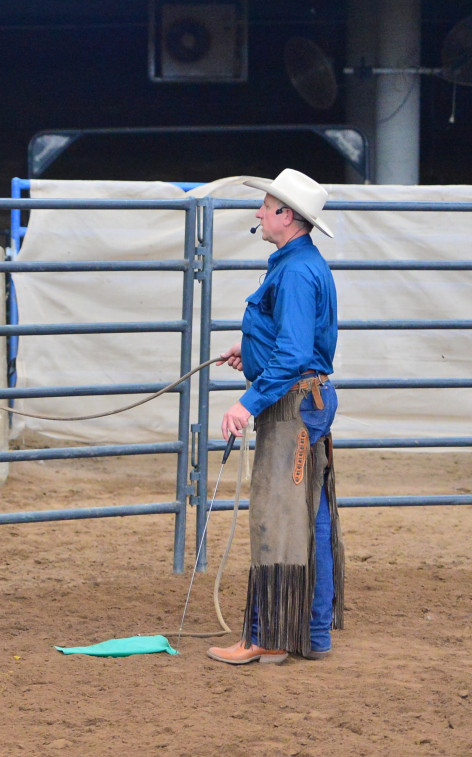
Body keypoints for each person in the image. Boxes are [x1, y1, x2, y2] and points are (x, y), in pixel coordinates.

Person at [207, 169, 344, 665]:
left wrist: (246, 402)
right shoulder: (300, 265)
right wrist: (252, 350)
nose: (260, 214)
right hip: (306, 400)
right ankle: (312, 632)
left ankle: (268, 634)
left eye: (267, 207)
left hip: (291, 407)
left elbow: (292, 354)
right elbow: (291, 346)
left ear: (288, 216)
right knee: (311, 516)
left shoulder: (292, 271)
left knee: (279, 516)